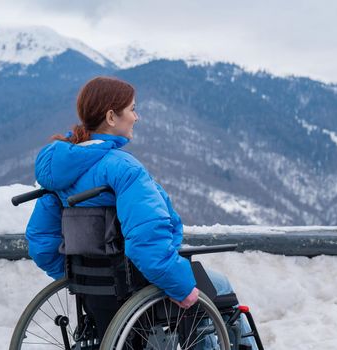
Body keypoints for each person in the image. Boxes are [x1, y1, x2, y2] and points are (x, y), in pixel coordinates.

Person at [25, 76, 253, 346]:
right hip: (136, 278)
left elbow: (41, 242)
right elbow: (147, 242)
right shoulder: (123, 168)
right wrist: (181, 288)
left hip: (97, 287)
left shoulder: (58, 177)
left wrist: (80, 277)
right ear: (111, 116)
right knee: (219, 288)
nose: (137, 116)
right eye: (132, 109)